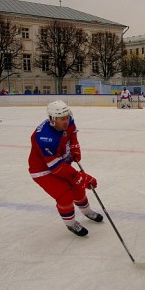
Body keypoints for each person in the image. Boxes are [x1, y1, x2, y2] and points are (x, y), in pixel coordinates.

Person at [28, 100, 103, 236]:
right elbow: (56, 167)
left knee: (78, 187)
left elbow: (72, 134)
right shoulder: (45, 137)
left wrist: (75, 147)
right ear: (52, 119)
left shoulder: (68, 119)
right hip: (43, 170)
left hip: (60, 162)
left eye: (67, 117)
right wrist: (82, 177)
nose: (66, 121)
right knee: (65, 195)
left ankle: (87, 211)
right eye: (62, 119)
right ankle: (71, 224)